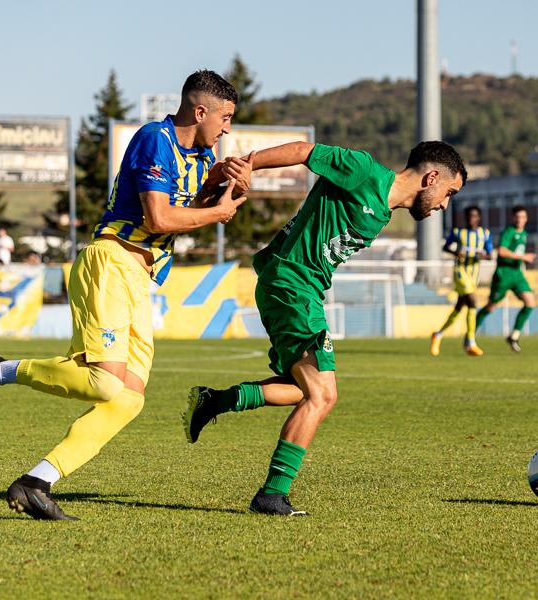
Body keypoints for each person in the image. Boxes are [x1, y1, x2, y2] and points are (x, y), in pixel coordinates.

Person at [0, 70, 251, 520]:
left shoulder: (202, 159)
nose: (227, 128)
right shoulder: (155, 139)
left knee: (128, 398)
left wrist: (227, 188)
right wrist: (219, 212)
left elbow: (191, 208)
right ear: (199, 111)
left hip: (140, 280)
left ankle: (37, 481)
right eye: (224, 118)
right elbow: (161, 218)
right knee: (105, 382)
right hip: (110, 261)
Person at [183, 140, 466, 516]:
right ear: (432, 177)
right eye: (449, 193)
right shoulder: (364, 171)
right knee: (323, 396)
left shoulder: (383, 209)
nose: (445, 204)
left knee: (303, 391)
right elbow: (304, 151)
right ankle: (271, 494)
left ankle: (214, 401)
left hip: (298, 288)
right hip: (292, 284)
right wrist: (251, 165)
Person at [430, 205, 492, 357]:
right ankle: (470, 341)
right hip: (460, 272)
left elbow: (490, 255)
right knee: (472, 301)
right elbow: (445, 247)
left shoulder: (485, 234)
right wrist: (456, 252)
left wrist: (481, 256)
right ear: (466, 218)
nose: (472, 219)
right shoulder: (458, 232)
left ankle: (438, 334)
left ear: (479, 218)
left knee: (459, 308)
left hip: (473, 275)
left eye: (475, 216)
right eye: (469, 216)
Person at [475, 205, 536, 352]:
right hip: (503, 274)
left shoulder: (524, 234)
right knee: (491, 306)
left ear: (526, 219)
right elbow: (501, 251)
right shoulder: (508, 232)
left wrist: (523, 259)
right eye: (518, 217)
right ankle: (470, 334)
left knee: (530, 302)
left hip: (517, 274)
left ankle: (514, 336)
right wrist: (523, 257)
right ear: (513, 218)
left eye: (523, 217)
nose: (520, 220)